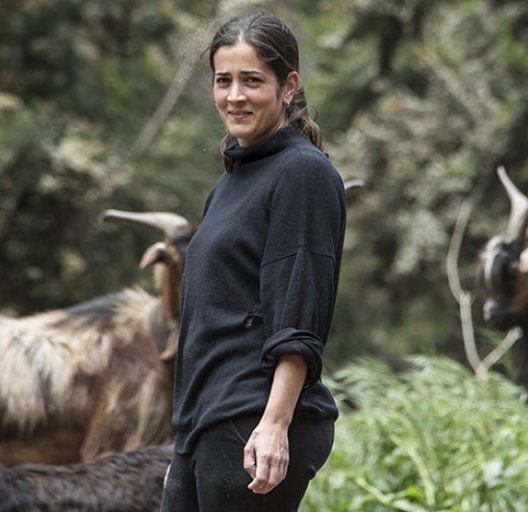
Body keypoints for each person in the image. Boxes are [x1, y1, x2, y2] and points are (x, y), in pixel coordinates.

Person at [159, 11, 346, 512]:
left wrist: (275, 425)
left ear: (289, 86)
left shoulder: (303, 173)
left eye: (252, 81)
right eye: (224, 81)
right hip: (206, 421)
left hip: (254, 420)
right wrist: (186, 440)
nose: (234, 96)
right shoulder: (230, 181)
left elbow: (298, 319)